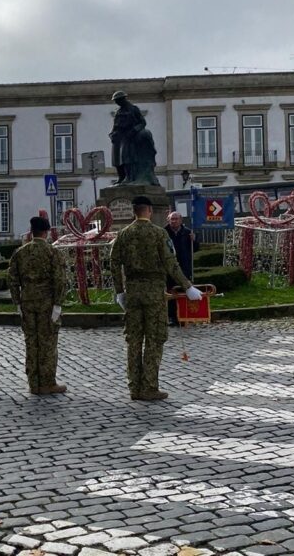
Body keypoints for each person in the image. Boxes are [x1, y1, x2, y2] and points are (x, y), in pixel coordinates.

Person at [110, 196, 203, 401]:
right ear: (149, 211)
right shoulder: (159, 233)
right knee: (154, 339)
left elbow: (114, 264)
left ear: (134, 211)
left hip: (132, 292)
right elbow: (171, 263)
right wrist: (187, 286)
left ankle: (134, 387)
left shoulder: (123, 235)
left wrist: (119, 291)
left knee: (133, 340)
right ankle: (149, 387)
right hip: (153, 292)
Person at [8, 216, 68, 395]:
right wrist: (58, 303)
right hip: (47, 303)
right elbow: (60, 280)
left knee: (31, 342)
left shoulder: (20, 252)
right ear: (46, 232)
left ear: (32, 231)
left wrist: (17, 301)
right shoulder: (52, 252)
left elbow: (12, 279)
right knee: (48, 342)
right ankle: (48, 382)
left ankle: (33, 382)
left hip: (27, 301)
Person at [109, 91, 160, 186]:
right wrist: (112, 134)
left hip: (129, 135)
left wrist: (134, 130)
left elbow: (142, 122)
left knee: (126, 157)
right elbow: (115, 125)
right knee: (116, 157)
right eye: (115, 101)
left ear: (123, 99)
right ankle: (121, 177)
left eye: (118, 100)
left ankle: (129, 177)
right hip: (118, 136)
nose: (117, 102)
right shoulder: (118, 111)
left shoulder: (133, 109)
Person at [164, 211, 200, 326]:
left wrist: (193, 240)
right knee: (171, 292)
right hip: (169, 268)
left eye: (176, 219)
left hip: (184, 266)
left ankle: (186, 315)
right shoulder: (163, 233)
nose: (174, 221)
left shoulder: (188, 232)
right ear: (168, 220)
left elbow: (195, 249)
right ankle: (172, 317)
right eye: (172, 219)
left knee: (185, 290)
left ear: (181, 220)